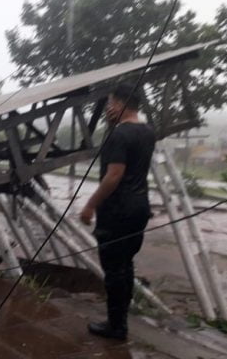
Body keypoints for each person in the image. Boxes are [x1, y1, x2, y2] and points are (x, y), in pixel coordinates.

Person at [79, 83, 155, 341]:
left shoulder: (119, 136)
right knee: (125, 265)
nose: (108, 108)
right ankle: (120, 322)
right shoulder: (148, 131)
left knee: (113, 269)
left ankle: (116, 327)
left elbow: (114, 176)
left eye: (111, 103)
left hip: (117, 210)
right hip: (139, 207)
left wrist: (90, 205)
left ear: (121, 104)